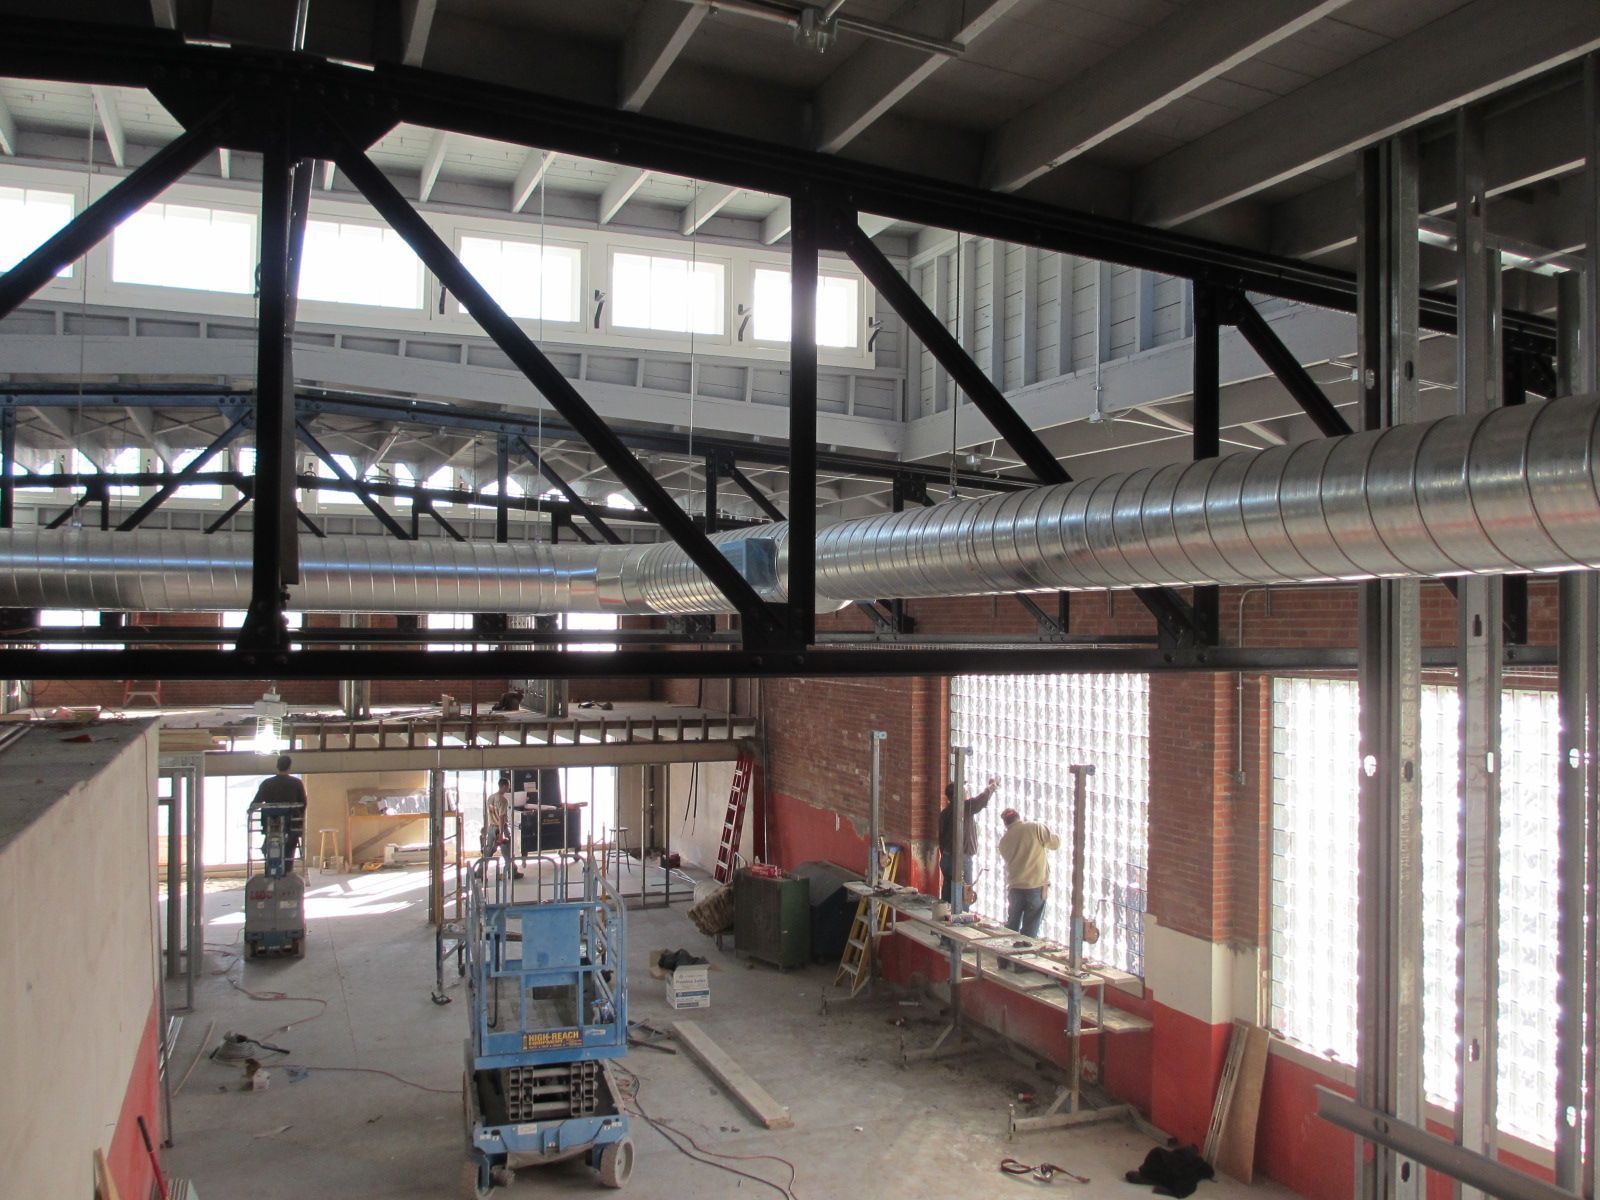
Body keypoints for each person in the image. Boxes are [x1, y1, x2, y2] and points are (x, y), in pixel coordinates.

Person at [996, 807, 1060, 937]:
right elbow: (1055, 844)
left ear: (1005, 823)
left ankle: (1004, 956)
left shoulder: (1003, 842)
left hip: (1015, 888)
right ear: (1019, 817)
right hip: (1035, 887)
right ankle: (1023, 954)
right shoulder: (1034, 827)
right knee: (1029, 931)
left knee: (1011, 927)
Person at [937, 775, 997, 905]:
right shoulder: (963, 807)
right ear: (958, 795)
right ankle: (959, 921)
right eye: (965, 791)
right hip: (960, 860)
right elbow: (981, 800)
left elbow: (940, 839)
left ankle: (943, 920)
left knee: (947, 896)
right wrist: (992, 786)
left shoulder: (945, 812)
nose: (967, 793)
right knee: (963, 895)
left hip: (946, 858)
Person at [247, 754, 308, 869]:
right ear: (289, 767)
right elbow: (303, 804)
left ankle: (270, 873)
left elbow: (256, 802)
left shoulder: (267, 783)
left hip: (272, 826)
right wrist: (299, 820)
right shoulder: (296, 783)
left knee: (271, 851)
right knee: (289, 853)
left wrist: (250, 810)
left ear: (277, 766)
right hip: (291, 825)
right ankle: (288, 873)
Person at [483, 774, 523, 879]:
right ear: (504, 786)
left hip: (491, 827)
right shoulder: (503, 800)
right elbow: (501, 817)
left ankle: (480, 873)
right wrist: (501, 834)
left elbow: (489, 814)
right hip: (500, 828)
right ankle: (513, 872)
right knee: (508, 852)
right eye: (508, 785)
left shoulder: (490, 798)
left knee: (488, 851)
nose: (509, 788)